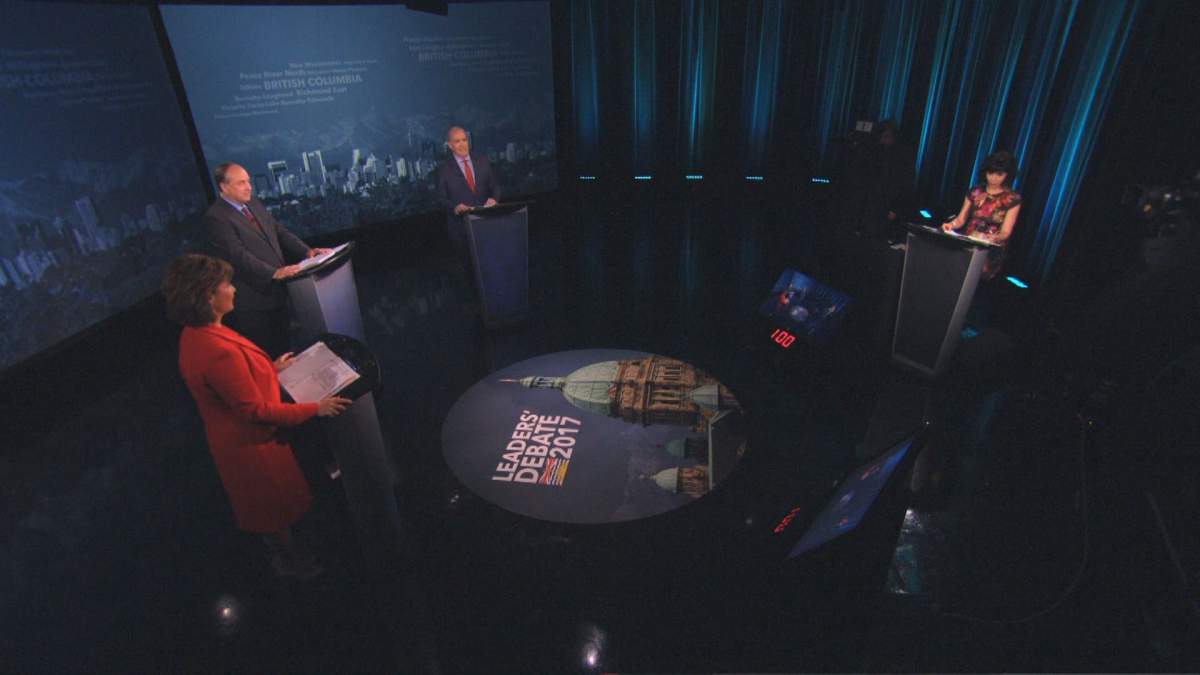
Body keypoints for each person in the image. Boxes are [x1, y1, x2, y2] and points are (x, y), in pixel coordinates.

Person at [162, 253, 351, 579]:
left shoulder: (198, 335)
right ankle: (294, 565)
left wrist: (270, 369)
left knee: (272, 511)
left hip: (237, 442)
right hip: (251, 448)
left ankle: (289, 557)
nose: (233, 290)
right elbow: (254, 411)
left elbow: (233, 386)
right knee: (274, 514)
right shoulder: (216, 349)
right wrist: (315, 409)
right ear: (208, 296)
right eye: (226, 284)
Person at [204, 162, 332, 358]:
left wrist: (307, 252)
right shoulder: (216, 217)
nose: (249, 187)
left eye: (248, 181)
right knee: (268, 354)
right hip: (254, 299)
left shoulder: (253, 203)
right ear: (224, 187)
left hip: (278, 291)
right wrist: (272, 273)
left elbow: (279, 231)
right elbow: (238, 255)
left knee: (286, 348)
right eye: (241, 183)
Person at [942, 151, 1023, 280]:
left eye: (999, 174)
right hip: (969, 242)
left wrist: (992, 238)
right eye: (990, 173)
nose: (993, 178)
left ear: (1007, 175)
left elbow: (1006, 232)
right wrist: (950, 225)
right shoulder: (975, 192)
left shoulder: (1012, 199)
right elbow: (961, 219)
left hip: (990, 250)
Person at [435, 126, 500, 254]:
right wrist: (454, 207)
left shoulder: (483, 162)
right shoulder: (443, 170)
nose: (462, 144)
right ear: (450, 145)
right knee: (469, 270)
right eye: (457, 141)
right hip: (461, 231)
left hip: (487, 225)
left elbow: (495, 187)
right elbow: (440, 198)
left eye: (464, 140)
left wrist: (493, 199)